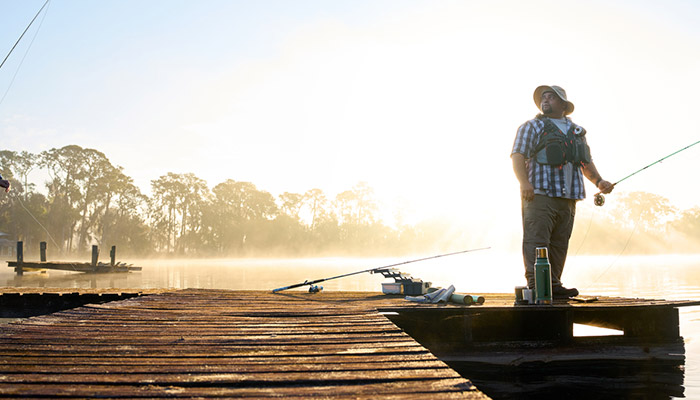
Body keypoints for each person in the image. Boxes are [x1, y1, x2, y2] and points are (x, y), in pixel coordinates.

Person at [511, 85, 613, 298]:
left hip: (569, 197)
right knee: (537, 241)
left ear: (564, 105)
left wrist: (599, 181)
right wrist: (524, 183)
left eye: (551, 97)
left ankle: (554, 285)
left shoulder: (577, 132)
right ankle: (537, 286)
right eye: (543, 97)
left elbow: (585, 161)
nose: (545, 100)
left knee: (559, 243)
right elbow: (518, 155)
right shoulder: (531, 127)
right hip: (539, 194)